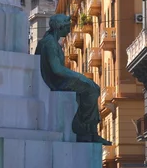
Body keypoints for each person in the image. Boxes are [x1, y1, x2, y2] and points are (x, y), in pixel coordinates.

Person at [35, 14, 111, 144]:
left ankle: (88, 131)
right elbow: (57, 69)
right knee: (91, 89)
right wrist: (79, 76)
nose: (69, 29)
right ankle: (87, 131)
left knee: (92, 88)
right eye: (67, 26)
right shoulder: (49, 43)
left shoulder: (51, 42)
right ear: (60, 27)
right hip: (53, 82)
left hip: (54, 80)